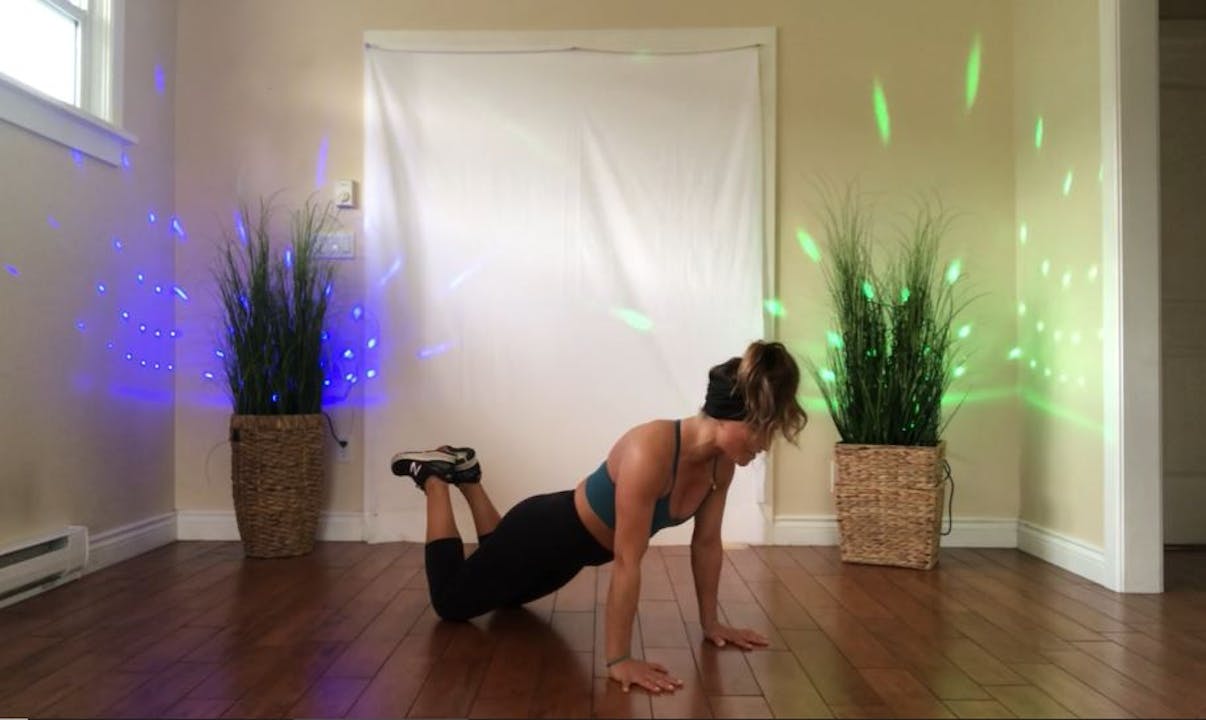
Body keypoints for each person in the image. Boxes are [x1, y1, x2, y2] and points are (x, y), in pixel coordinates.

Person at [390, 339, 807, 694]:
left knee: (507, 597)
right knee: (450, 604)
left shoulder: (721, 465)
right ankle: (435, 478)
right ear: (729, 416)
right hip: (542, 533)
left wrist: (712, 623)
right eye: (761, 430)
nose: (765, 444)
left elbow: (707, 543)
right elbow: (627, 560)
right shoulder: (651, 450)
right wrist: (619, 659)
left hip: (569, 556)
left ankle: (467, 476)